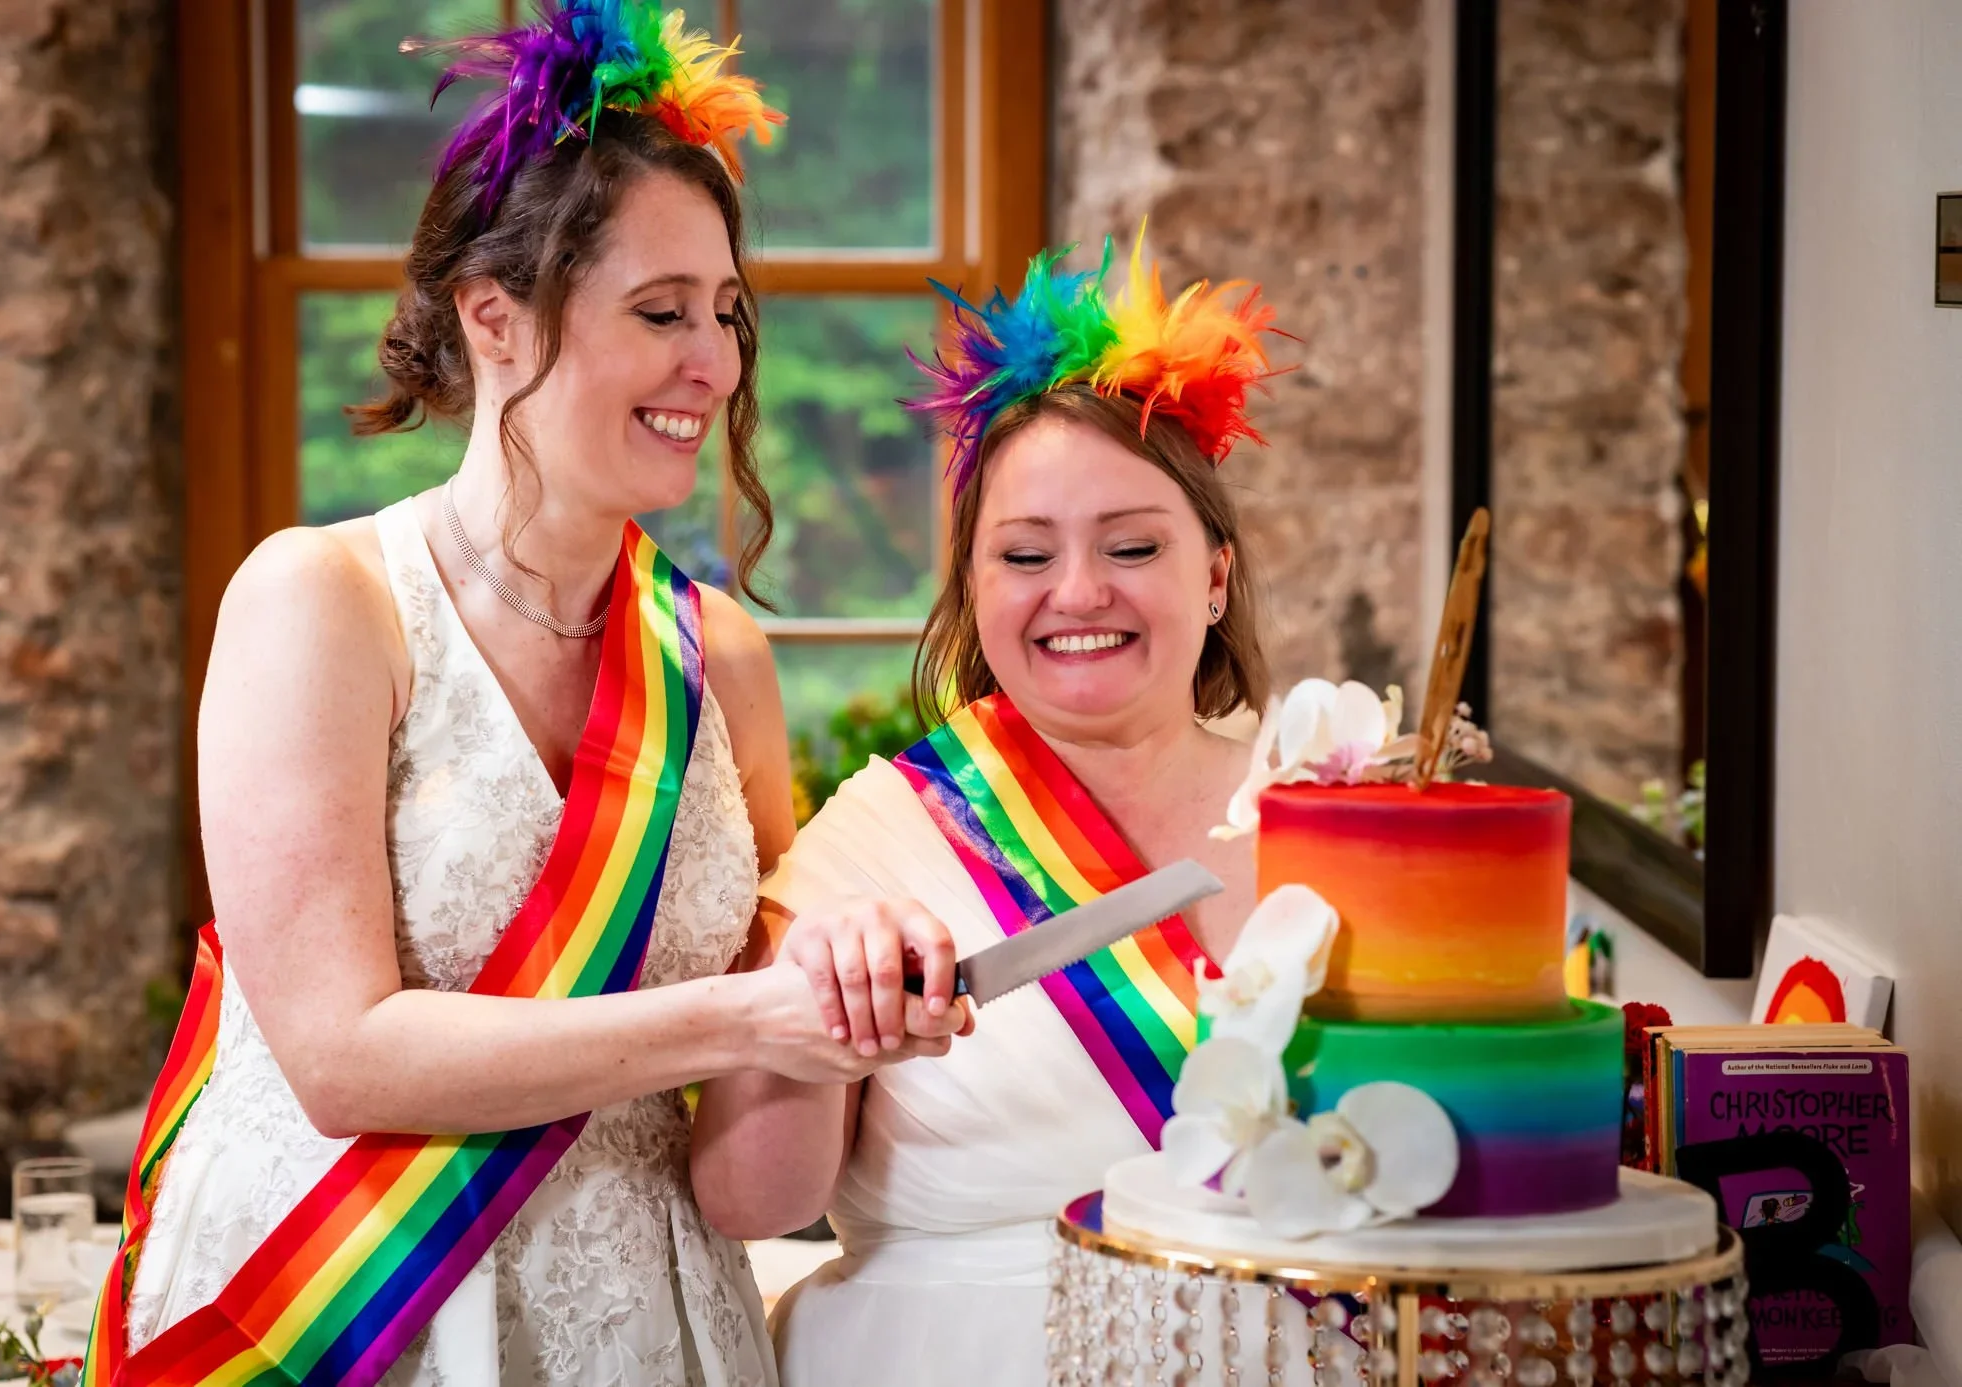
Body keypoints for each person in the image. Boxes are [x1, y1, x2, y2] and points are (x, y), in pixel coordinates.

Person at [82, 5, 964, 1384]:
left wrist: (836, 1002)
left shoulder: (723, 658)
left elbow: (758, 1156)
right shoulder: (323, 601)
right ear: (495, 317)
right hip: (352, 1304)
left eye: (726, 313)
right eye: (661, 312)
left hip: (650, 1319)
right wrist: (745, 1015)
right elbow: (340, 1058)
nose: (715, 362)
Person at [688, 235, 1291, 1384]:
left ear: (1214, 576)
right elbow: (746, 1199)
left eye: (1132, 546)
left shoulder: (1333, 812)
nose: (1079, 592)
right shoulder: (870, 848)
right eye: (1024, 555)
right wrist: (814, 1014)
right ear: (972, 584)